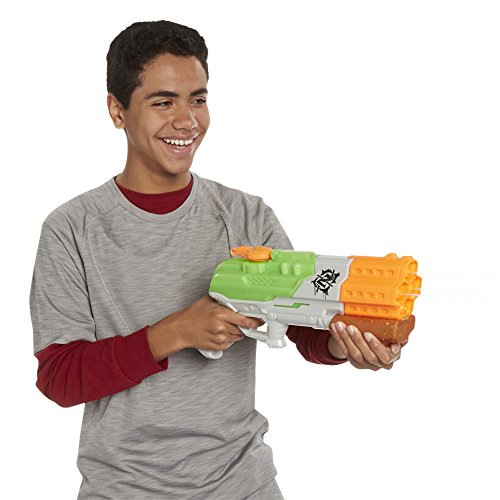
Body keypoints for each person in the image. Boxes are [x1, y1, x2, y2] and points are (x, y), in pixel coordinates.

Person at [29, 20, 402, 500]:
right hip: (123, 489)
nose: (187, 121)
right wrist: (174, 333)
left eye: (198, 99)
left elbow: (304, 326)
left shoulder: (246, 215)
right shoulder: (71, 229)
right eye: (164, 102)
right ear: (117, 110)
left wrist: (348, 343)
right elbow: (59, 377)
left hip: (243, 483)